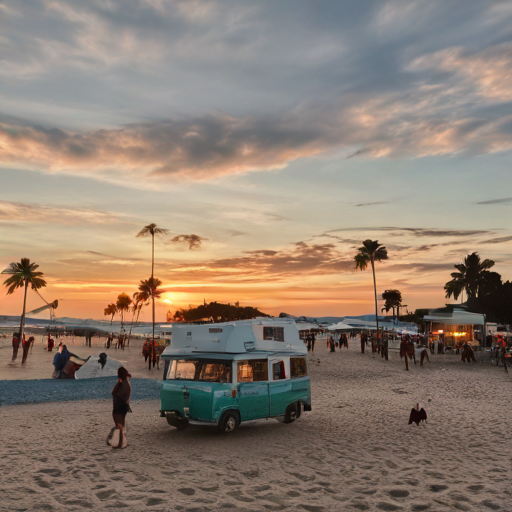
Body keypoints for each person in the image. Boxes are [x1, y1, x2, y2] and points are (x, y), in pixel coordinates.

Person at [111, 366, 131, 449]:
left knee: (119, 425)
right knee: (122, 424)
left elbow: (114, 392)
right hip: (124, 406)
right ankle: (123, 442)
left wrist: (118, 383)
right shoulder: (127, 382)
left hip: (119, 406)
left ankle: (121, 443)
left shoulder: (122, 383)